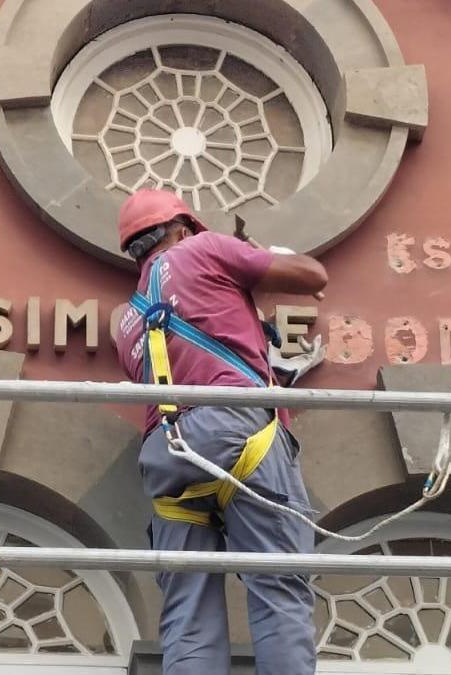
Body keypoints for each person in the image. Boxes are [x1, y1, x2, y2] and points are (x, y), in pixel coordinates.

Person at [113, 189, 328, 675]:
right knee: (279, 589)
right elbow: (315, 276)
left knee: (188, 615)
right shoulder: (205, 249)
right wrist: (268, 254)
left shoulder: (123, 322)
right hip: (237, 431)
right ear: (183, 228)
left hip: (166, 453)